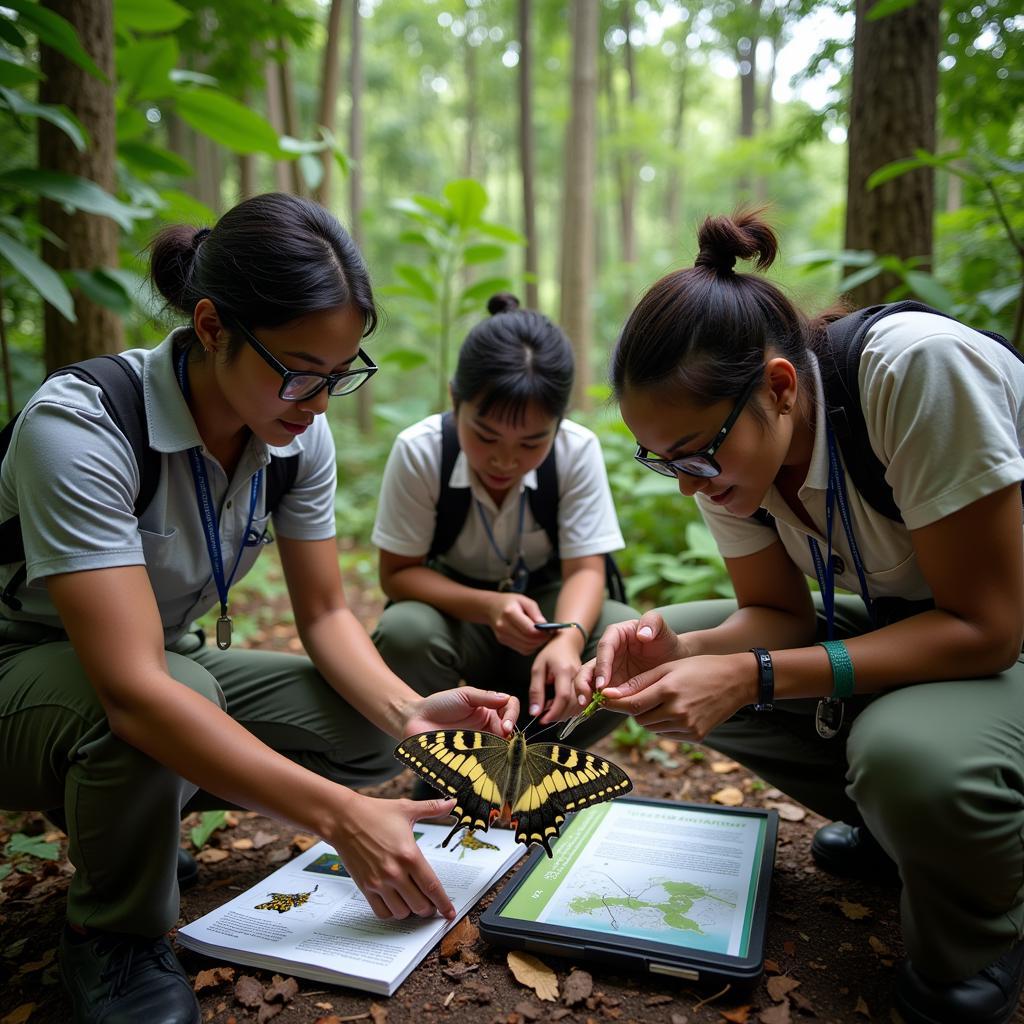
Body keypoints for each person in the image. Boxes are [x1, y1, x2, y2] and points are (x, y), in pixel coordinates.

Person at [0, 193, 519, 1024]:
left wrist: (410, 713)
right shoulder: (82, 426)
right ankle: (113, 937)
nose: (318, 403)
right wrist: (340, 816)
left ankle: (141, 820)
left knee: (360, 724)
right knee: (167, 703)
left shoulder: (290, 433)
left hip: (167, 654)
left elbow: (324, 616)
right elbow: (134, 688)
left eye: (339, 374)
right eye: (299, 369)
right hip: (24, 670)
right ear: (211, 327)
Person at [575, 210, 1024, 1024]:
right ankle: (902, 828)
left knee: (911, 757)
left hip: (1002, 633)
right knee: (685, 647)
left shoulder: (916, 373)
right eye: (662, 459)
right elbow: (775, 614)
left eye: (696, 455)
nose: (686, 483)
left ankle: (978, 931)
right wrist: (684, 649)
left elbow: (989, 629)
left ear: (780, 388)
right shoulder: (730, 456)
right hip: (927, 623)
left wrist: (752, 674)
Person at [372, 293, 635, 745]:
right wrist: (488, 606)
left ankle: (543, 764)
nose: (505, 460)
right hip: (456, 616)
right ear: (456, 401)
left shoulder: (577, 451)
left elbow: (587, 570)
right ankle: (449, 759)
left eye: (532, 442)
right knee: (405, 631)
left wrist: (569, 638)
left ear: (559, 422)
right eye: (486, 435)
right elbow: (397, 575)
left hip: (546, 613)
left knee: (620, 635)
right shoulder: (421, 451)